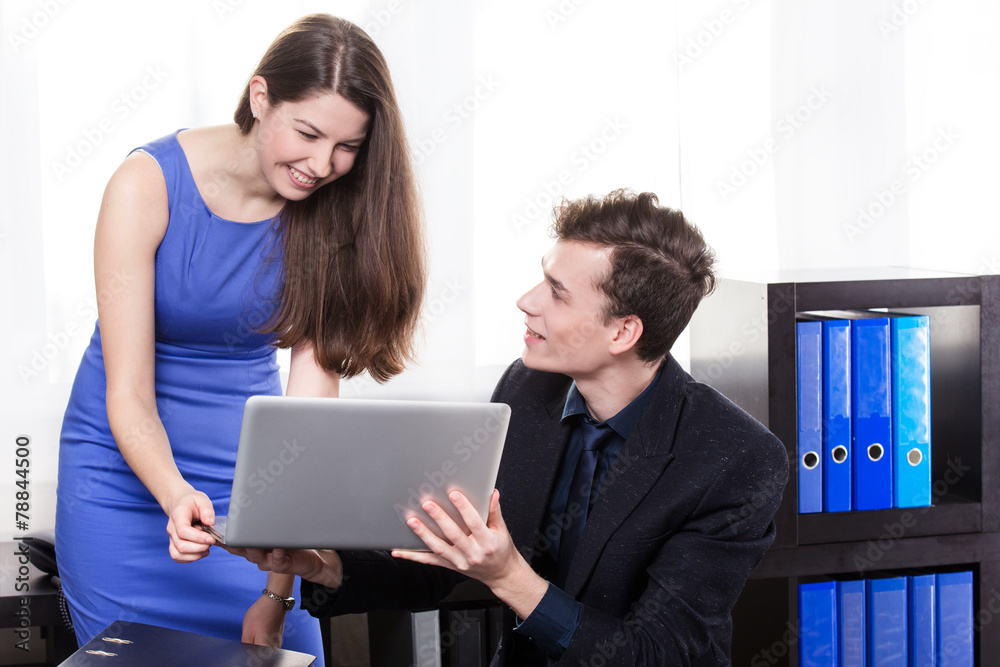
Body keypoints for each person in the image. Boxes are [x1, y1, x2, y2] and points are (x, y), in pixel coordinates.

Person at [234, 189, 790, 665]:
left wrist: (508, 577)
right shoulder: (529, 389)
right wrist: (323, 566)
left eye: (557, 292)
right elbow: (448, 561)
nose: (526, 301)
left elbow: (659, 653)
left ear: (623, 333)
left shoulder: (736, 458)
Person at [54, 13, 425, 659]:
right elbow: (128, 392)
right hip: (122, 481)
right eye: (307, 133)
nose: (321, 164)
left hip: (254, 482)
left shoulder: (334, 211)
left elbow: (307, 421)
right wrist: (175, 496)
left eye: (347, 146)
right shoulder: (146, 183)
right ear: (260, 97)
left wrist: (278, 589)